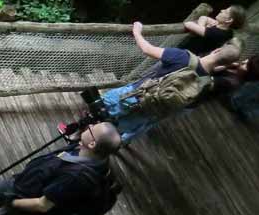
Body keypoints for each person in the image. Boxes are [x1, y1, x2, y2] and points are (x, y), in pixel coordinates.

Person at [101, 21, 242, 141]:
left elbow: (147, 49)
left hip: (131, 96)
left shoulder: (183, 56)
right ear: (225, 65)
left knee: (94, 115)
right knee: (107, 133)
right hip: (148, 112)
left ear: (216, 50)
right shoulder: (207, 84)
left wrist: (137, 31)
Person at [181, 5, 246, 55]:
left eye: (225, 11)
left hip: (186, 55)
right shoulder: (228, 31)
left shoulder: (217, 33)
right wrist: (201, 28)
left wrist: (201, 29)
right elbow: (203, 17)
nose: (221, 10)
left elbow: (188, 24)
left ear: (228, 20)